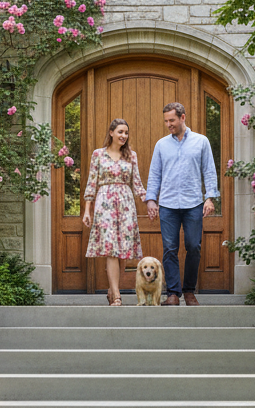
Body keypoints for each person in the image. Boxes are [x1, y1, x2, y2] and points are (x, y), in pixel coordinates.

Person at [144, 101, 219, 306]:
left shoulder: (201, 142)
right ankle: (173, 293)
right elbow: (155, 174)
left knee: (194, 246)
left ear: (183, 117)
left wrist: (210, 197)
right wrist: (151, 199)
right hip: (168, 204)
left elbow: (209, 171)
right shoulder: (161, 145)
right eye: (166, 121)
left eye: (172, 120)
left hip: (193, 202)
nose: (169, 124)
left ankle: (189, 291)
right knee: (169, 248)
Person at [82, 118, 147, 306]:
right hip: (105, 204)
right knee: (111, 249)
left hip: (126, 204)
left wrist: (150, 202)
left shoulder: (131, 156)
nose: (123, 136)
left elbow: (137, 184)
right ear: (111, 133)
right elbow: (91, 183)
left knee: (123, 250)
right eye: (120, 132)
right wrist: (88, 210)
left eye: (126, 133)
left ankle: (112, 288)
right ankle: (117, 295)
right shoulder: (98, 154)